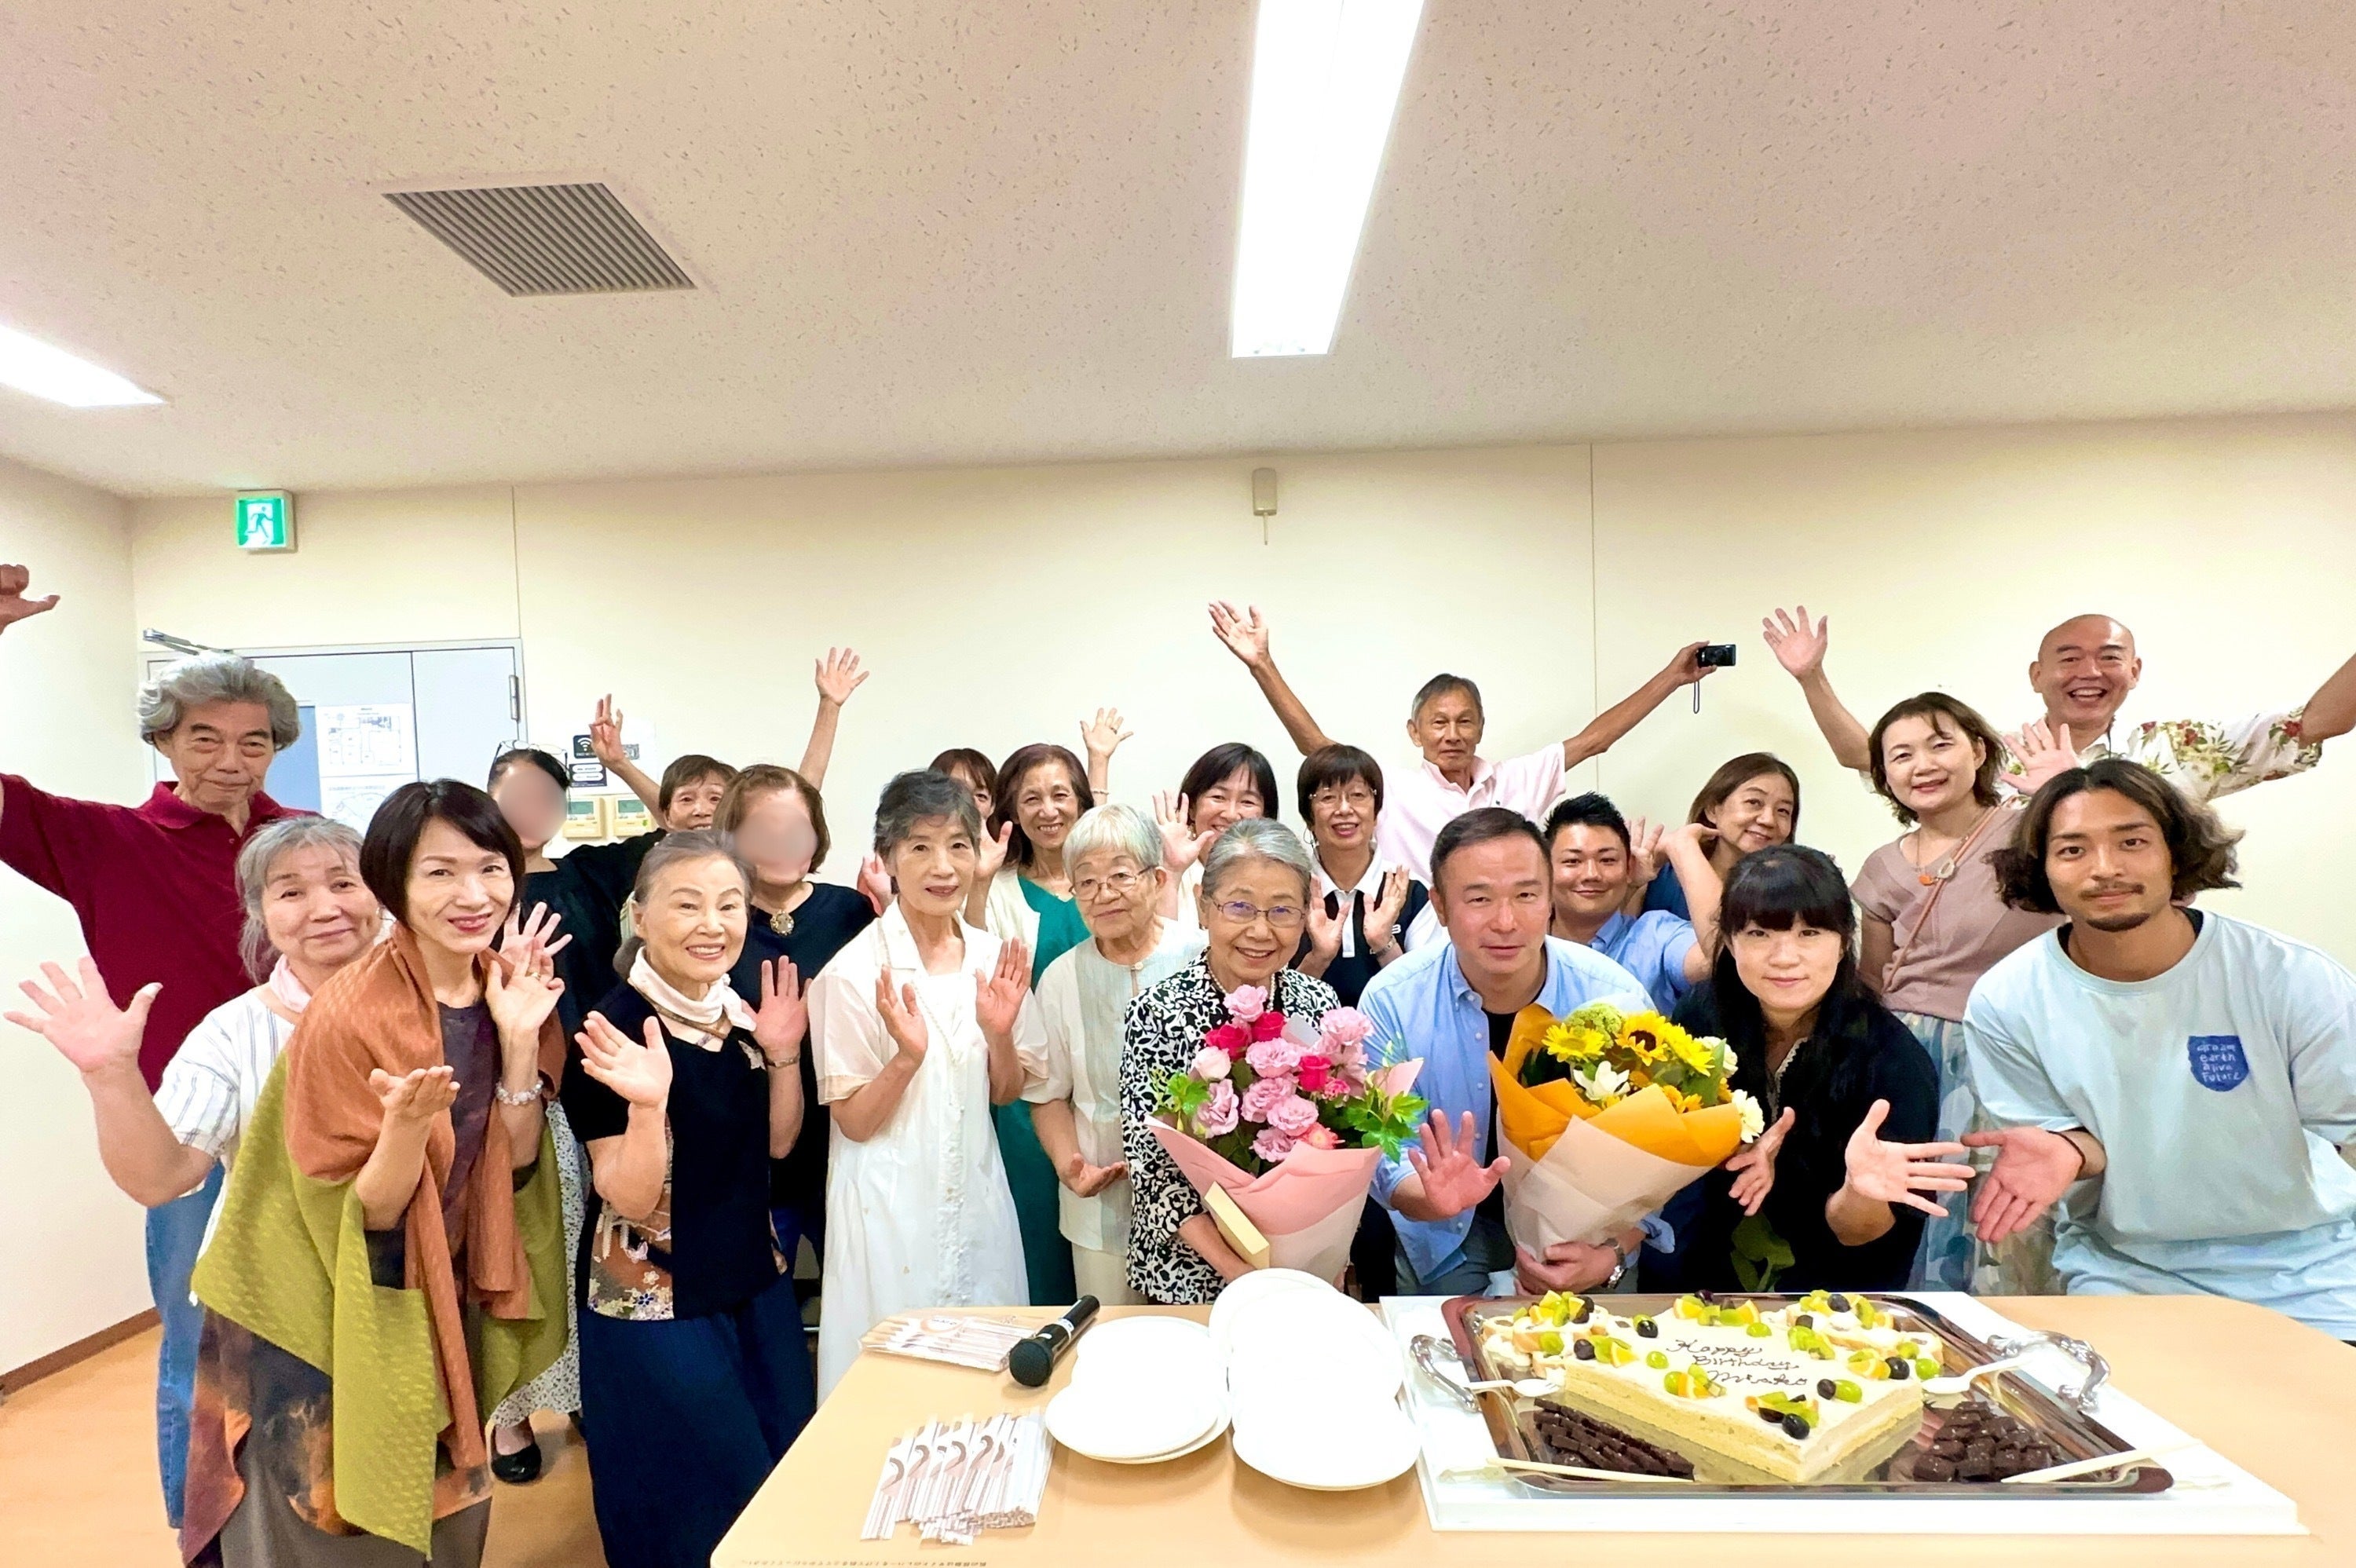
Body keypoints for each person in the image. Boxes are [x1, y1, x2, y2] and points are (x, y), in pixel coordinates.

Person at [177, 780, 569, 1567]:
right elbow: (360, 1213)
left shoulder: (506, 985)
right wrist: (405, 1129)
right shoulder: (351, 1011)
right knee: (342, 1523)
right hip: (319, 1299)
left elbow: (518, 1161)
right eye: (440, 872)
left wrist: (521, 1045)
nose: (473, 894)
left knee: (448, 1506)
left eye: (490, 868)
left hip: (438, 1282)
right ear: (393, 883)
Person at [1, 564, 302, 1527]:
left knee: (317, 1341)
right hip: (190, 1138)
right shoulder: (101, 841)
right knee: (195, 1351)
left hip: (317, 1123)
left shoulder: (307, 843)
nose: (231, 759)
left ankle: (303, 1521)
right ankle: (201, 1533)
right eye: (204, 737)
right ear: (165, 741)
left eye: (254, 740)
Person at [1963, 759, 2356, 1339]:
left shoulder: (2289, 977)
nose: (2105, 868)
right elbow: (2068, 1141)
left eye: (2132, 842)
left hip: (2312, 1271)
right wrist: (2069, 1148)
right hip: (2128, 1271)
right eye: (2072, 850)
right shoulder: (2007, 1000)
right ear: (2041, 868)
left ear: (2175, 853)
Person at [562, 830, 816, 1568]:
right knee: (695, 1500)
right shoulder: (609, 1030)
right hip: (656, 1300)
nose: (713, 924)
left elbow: (777, 1145)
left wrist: (783, 1054)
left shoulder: (735, 1015)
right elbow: (629, 1195)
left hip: (753, 1278)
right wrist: (648, 1105)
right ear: (640, 916)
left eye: (729, 905)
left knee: (780, 1470)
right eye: (688, 904)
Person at [8, 817, 378, 1250]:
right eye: (291, 893)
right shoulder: (232, 1032)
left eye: (343, 884)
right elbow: (161, 1180)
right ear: (259, 912)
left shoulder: (438, 998)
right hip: (278, 1269)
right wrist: (111, 1076)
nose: (326, 909)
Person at [809, 770, 1044, 1398]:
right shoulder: (854, 972)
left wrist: (999, 1034)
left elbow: (1005, 1092)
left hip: (975, 1190)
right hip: (889, 1205)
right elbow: (855, 1122)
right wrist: (906, 1058)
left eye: (958, 845)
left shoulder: (993, 957)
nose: (943, 866)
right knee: (894, 1381)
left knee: (987, 1377)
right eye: (920, 846)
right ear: (887, 858)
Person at [1358, 808, 1653, 1297]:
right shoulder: (1393, 1000)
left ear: (1550, 898)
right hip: (1446, 1233)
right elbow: (1386, 1148)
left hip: (1586, 1233)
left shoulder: (1614, 998)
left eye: (1526, 895)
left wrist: (1611, 1254)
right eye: (1479, 899)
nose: (1506, 922)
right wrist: (1430, 1198)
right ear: (1440, 906)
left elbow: (1654, 1152)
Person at [1207, 599, 1714, 881]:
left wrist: (1673, 677)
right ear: (1415, 732)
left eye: (1465, 722)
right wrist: (1262, 665)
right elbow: (1317, 747)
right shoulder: (1392, 789)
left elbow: (1594, 740)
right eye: (1438, 723)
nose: (1452, 734)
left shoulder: (1518, 780)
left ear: (1481, 728)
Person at [1673, 845, 1966, 1294]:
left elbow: (1860, 1237)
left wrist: (1860, 1191)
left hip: (1831, 1302)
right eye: (1759, 933)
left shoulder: (1892, 1060)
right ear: (1729, 942)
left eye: (1809, 933)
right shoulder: (1701, 1017)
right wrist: (1727, 1147)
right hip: (1700, 1284)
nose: (1785, 957)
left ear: (1844, 941)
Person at [1846, 694, 2061, 1292]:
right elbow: (1873, 981)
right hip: (1907, 1059)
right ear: (1884, 775)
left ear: (1980, 751)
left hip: (2011, 1055)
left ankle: (2003, 1334)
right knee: (1912, 1210)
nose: (1923, 765)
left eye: (1940, 744)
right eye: (1901, 755)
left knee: (2005, 1220)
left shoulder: (2031, 834)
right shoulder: (1881, 867)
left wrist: (2064, 791)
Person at [1763, 605, 2356, 801]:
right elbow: (1867, 755)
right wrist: (1812, 677)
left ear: (2135, 671)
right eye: (2069, 658)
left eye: (2109, 656)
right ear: (2037, 675)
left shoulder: (2181, 747)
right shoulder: (1994, 756)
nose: (2089, 672)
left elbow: (2314, 724)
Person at [1119, 819, 1342, 1304]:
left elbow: (1341, 1142)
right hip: (1190, 1278)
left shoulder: (1318, 1004)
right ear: (1204, 906)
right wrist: (1242, 1274)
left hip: (1299, 1275)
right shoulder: (1158, 1013)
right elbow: (1153, 1171)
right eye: (1240, 906)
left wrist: (1327, 1251)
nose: (1260, 931)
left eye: (1282, 910)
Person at [481, 747, 599, 1481]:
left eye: (546, 794)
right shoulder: (479, 885)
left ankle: (579, 1389)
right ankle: (511, 1414)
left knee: (578, 1246)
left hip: (585, 1082)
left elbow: (686, 827)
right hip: (498, 1089)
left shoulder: (585, 873)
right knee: (512, 1251)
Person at [1026, 803, 1195, 1306]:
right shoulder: (1060, 977)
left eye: (1120, 876)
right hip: (1101, 1206)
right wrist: (1069, 1166)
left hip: (1202, 1201)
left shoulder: (1199, 956)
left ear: (1157, 879)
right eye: (1087, 881)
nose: (1103, 894)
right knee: (1110, 1335)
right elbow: (1048, 1094)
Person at [967, 740, 1111, 1307]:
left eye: (1060, 795)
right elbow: (976, 957)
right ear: (1011, 810)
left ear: (1081, 801)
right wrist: (979, 883)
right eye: (1032, 799)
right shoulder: (1000, 887)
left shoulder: (1107, 882)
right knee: (1037, 1237)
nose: (1048, 810)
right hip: (1029, 1094)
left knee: (1107, 1235)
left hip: (1103, 1083)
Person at [715, 764, 876, 1271]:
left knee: (861, 1292)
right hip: (755, 1153)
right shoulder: (719, 923)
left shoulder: (852, 912)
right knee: (765, 1300)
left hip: (848, 1145)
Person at [1544, 792, 1722, 1008]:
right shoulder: (1525, 940)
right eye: (1573, 861)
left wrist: (1683, 847)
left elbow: (1723, 957)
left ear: (1629, 868)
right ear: (1545, 869)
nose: (1592, 874)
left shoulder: (1656, 936)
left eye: (1607, 860)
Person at [1291, 744, 1436, 1009]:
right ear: (1308, 816)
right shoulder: (1289, 892)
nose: (1344, 809)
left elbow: (1428, 1001)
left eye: (1358, 795)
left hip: (1393, 1035)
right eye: (1328, 797)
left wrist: (1384, 944)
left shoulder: (1413, 892)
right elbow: (1273, 1003)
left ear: (1376, 811)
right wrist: (1318, 958)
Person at [1635, 753, 1799, 920]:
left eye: (1783, 811)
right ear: (1713, 810)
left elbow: (1718, 934)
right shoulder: (1660, 875)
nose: (1769, 820)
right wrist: (1632, 883)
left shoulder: (1793, 895)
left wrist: (1683, 845)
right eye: (1754, 802)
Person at [1150, 740, 1279, 925]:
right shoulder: (1158, 871)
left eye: (1247, 802)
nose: (1231, 814)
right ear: (1192, 808)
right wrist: (1172, 872)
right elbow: (1157, 942)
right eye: (1218, 797)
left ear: (1265, 816)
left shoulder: (1278, 877)